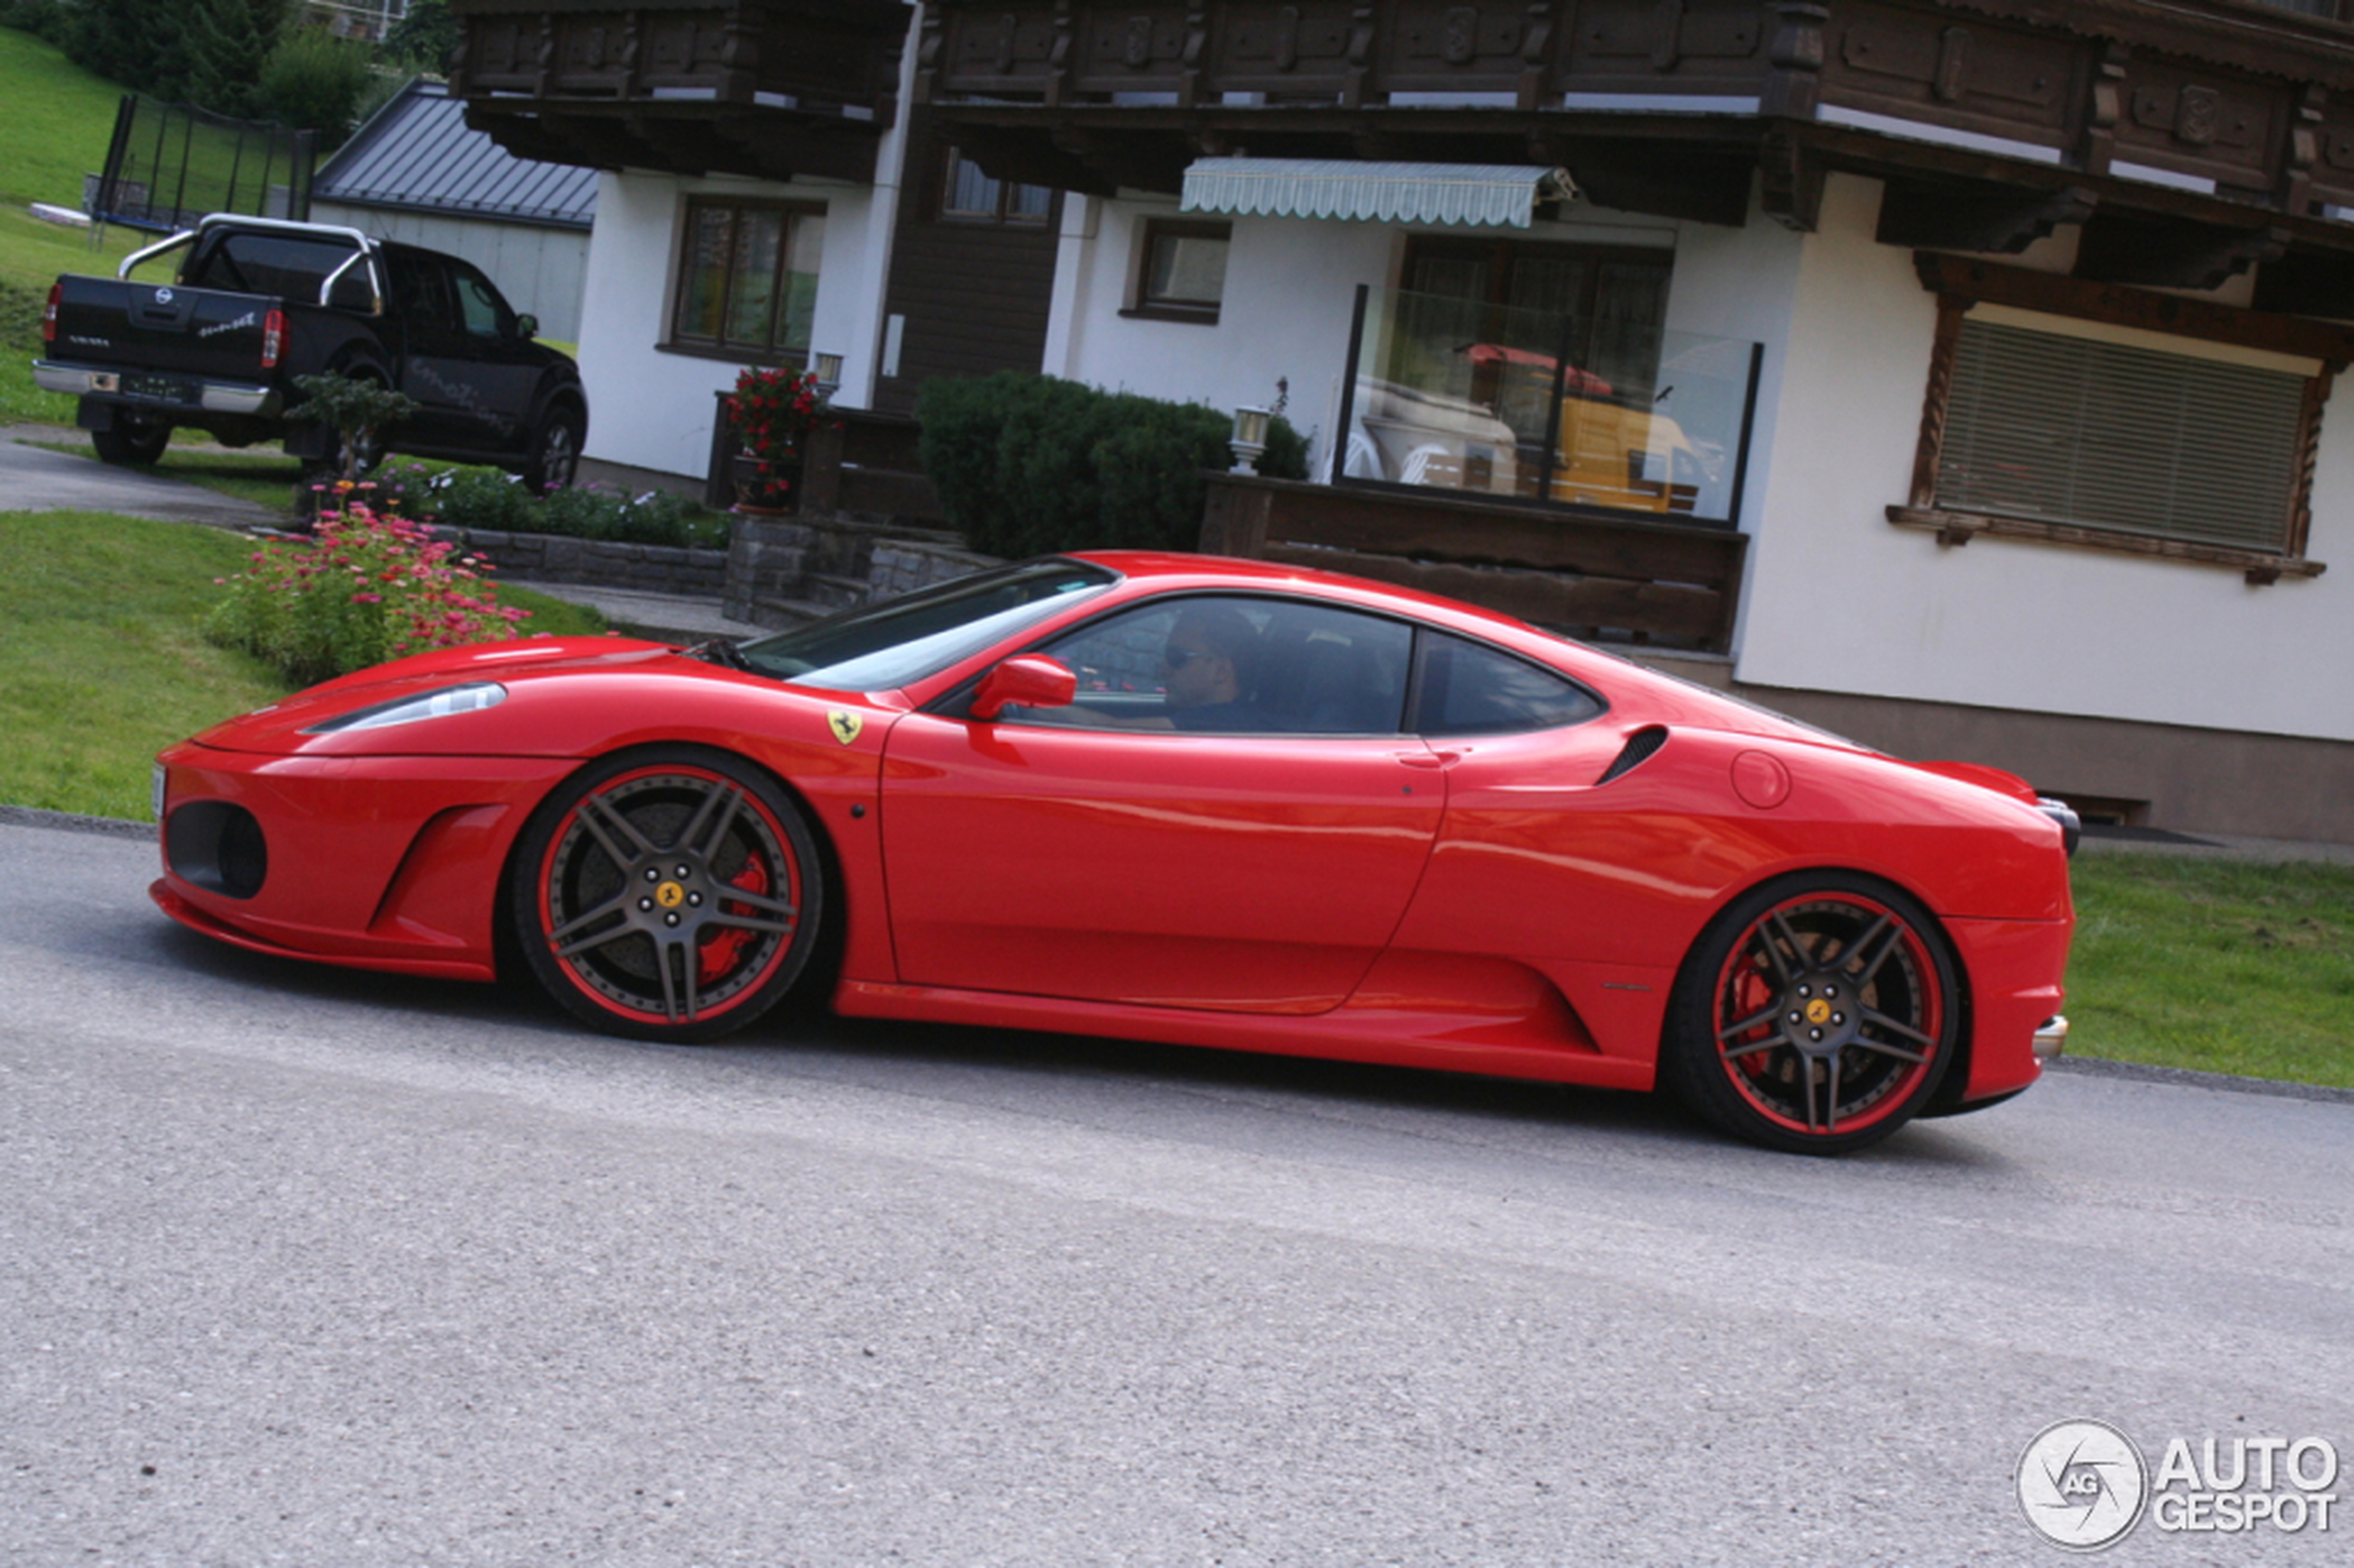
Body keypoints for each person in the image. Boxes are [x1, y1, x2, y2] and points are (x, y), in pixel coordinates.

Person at [1158, 601, 1271, 730]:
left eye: (1176, 657)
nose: (1163, 670)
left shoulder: (1222, 725)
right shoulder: (1246, 720)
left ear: (1220, 670)